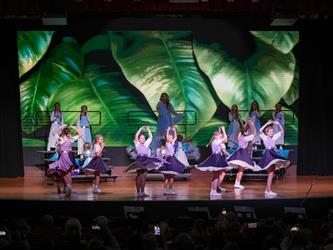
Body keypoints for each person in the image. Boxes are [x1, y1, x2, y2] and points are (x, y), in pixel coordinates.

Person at [125, 126, 167, 197]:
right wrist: (140, 129)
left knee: (144, 176)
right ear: (139, 139)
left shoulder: (146, 144)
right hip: (139, 160)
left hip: (145, 160)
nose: (143, 139)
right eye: (141, 138)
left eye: (144, 138)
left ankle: (142, 192)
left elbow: (150, 137)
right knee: (139, 176)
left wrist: (148, 129)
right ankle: (138, 192)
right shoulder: (137, 143)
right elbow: (136, 136)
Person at [258, 120, 291, 196]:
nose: (272, 133)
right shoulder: (265, 137)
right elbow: (260, 130)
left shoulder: (274, 138)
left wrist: (278, 124)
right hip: (269, 155)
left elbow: (282, 131)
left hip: (273, 154)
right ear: (267, 132)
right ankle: (268, 191)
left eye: (273, 132)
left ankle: (267, 190)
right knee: (271, 173)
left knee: (271, 173)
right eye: (270, 132)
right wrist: (267, 123)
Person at [48, 125, 82, 196]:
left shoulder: (71, 139)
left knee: (68, 173)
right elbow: (54, 133)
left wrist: (76, 128)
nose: (70, 134)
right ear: (66, 133)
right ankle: (67, 188)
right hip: (63, 157)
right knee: (64, 172)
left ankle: (68, 188)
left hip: (69, 157)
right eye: (69, 133)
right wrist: (60, 126)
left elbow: (80, 134)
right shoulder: (61, 139)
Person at [196, 126, 230, 196]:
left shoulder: (215, 141)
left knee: (216, 175)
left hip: (216, 157)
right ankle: (213, 191)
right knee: (216, 175)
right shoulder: (217, 141)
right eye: (220, 135)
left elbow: (224, 143)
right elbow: (226, 139)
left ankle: (213, 190)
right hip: (217, 158)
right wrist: (223, 130)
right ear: (216, 136)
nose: (221, 136)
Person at [227, 120, 257, 189]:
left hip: (238, 152)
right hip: (243, 153)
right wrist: (252, 125)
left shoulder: (239, 136)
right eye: (247, 131)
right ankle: (237, 184)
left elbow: (242, 130)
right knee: (241, 170)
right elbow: (255, 134)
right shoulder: (246, 138)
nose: (248, 132)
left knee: (241, 169)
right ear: (245, 132)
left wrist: (246, 124)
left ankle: (237, 183)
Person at [157, 127, 185, 195]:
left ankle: (170, 190)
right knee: (167, 177)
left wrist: (175, 131)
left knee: (172, 176)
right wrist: (168, 130)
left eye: (171, 137)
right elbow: (167, 137)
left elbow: (175, 137)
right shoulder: (168, 143)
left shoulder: (172, 143)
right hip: (169, 159)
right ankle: (165, 190)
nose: (170, 138)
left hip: (173, 159)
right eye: (169, 137)